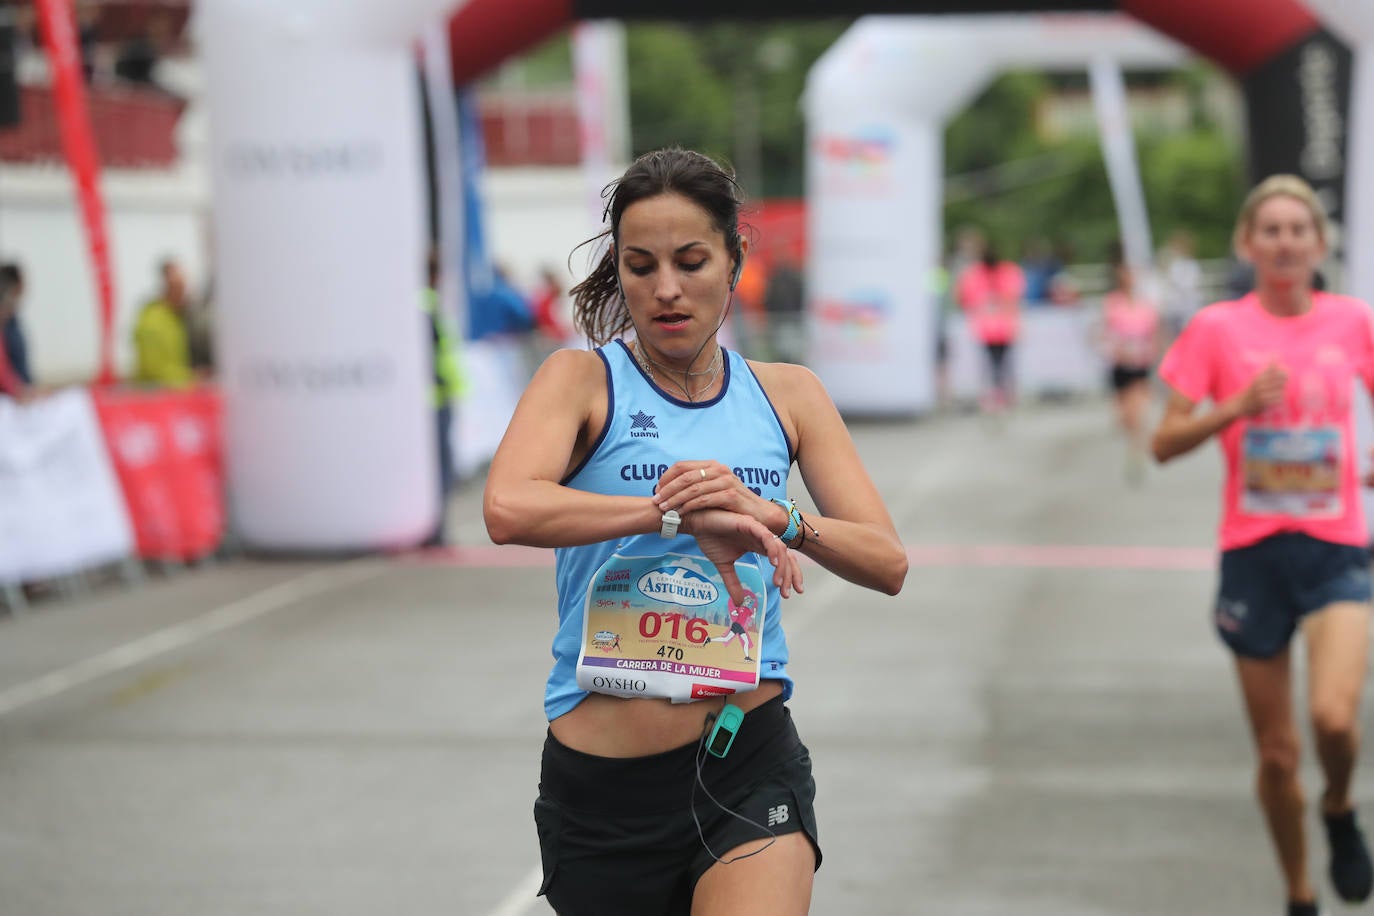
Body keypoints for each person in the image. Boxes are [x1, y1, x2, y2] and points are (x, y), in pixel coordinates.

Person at [482, 147, 907, 916]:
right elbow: (508, 508)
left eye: (691, 260)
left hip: (746, 761)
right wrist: (669, 511)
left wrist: (779, 518)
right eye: (641, 266)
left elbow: (887, 561)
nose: (666, 289)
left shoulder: (790, 396)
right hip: (602, 790)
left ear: (734, 262)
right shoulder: (580, 383)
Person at [1151, 174, 1374, 916]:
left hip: (1336, 546)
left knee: (1335, 721)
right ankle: (1300, 894)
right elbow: (1162, 442)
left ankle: (1339, 806)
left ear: (1320, 243)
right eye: (1269, 231)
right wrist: (1236, 408)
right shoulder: (1217, 329)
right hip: (1253, 555)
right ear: (1247, 244)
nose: (1284, 243)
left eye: (1298, 230)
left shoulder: (1353, 322)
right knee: (1278, 755)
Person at [1096, 244, 1161, 484]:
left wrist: (1153, 353)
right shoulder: (1112, 303)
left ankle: (1136, 453)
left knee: (1137, 411)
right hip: (1120, 363)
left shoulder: (1146, 306)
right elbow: (1105, 333)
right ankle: (1133, 443)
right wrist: (1115, 349)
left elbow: (1155, 334)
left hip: (1141, 363)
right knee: (1124, 415)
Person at [421, 248, 466, 547]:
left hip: (438, 395)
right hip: (432, 399)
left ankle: (435, 526)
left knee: (439, 464)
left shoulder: (428, 303)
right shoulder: (424, 304)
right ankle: (433, 528)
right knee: (437, 466)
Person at [955, 245, 1025, 413]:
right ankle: (1002, 395)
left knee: (992, 365)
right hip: (1001, 329)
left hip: (989, 329)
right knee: (1002, 364)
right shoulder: (1007, 273)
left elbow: (964, 299)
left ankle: (995, 396)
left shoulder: (975, 275)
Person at [132, 259, 194, 387]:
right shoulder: (152, 320)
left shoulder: (176, 318)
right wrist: (190, 378)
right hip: (156, 396)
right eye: (179, 286)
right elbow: (154, 369)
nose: (184, 293)